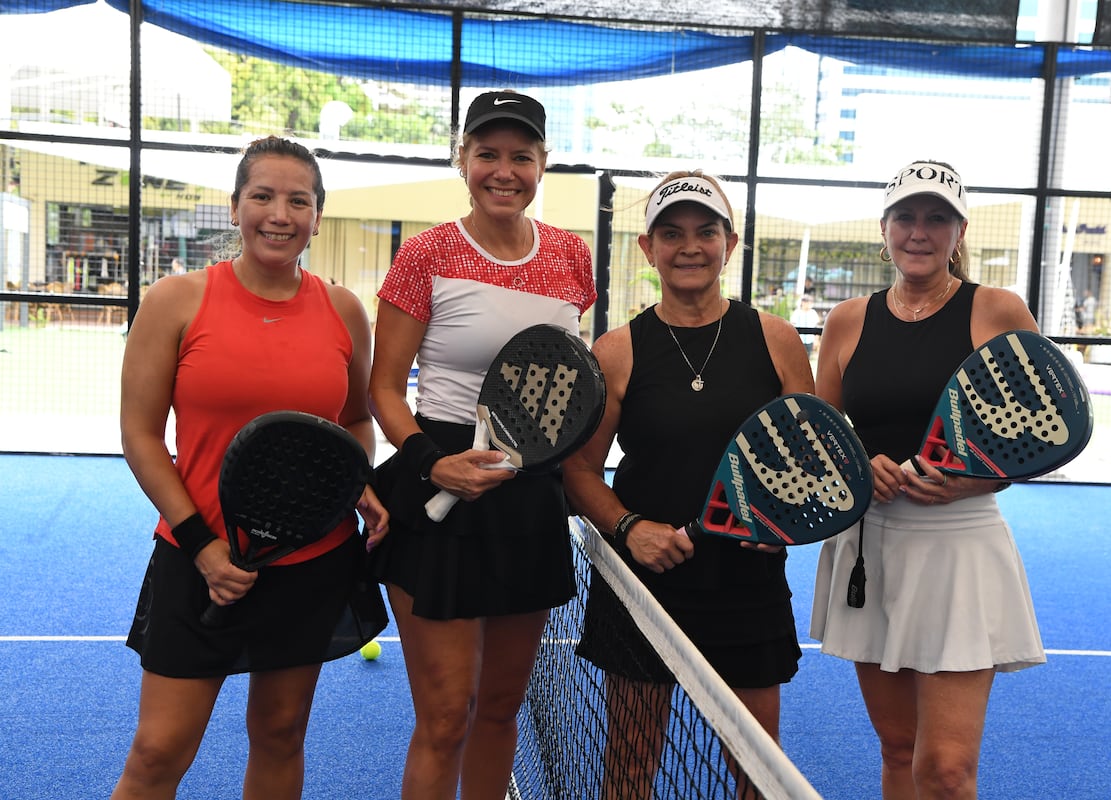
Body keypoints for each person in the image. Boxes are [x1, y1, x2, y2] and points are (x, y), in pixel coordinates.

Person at [112, 135, 390, 800]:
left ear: (317, 217)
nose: (280, 213)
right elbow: (140, 435)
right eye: (262, 196)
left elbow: (354, 420)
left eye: (299, 200)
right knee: (157, 751)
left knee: (280, 732)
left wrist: (358, 480)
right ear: (235, 207)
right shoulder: (175, 300)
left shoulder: (344, 309)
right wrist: (204, 548)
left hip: (311, 557)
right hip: (198, 557)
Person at [366, 90, 596, 800]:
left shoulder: (572, 257)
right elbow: (382, 389)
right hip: (438, 479)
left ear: (542, 164)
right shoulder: (425, 254)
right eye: (488, 154)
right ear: (463, 159)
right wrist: (435, 464)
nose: (504, 170)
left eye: (520, 156)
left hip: (528, 494)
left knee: (500, 710)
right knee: (444, 717)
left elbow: (569, 377)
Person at [562, 170, 815, 797]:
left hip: (746, 583)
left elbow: (807, 460)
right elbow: (579, 472)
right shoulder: (618, 351)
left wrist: (781, 518)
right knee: (630, 766)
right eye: (671, 233)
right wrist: (630, 529)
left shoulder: (776, 340)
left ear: (730, 244)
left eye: (707, 231)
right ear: (648, 249)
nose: (690, 246)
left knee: (756, 769)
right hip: (646, 585)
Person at [809, 160, 1045, 799]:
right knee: (898, 749)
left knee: (945, 769)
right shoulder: (847, 320)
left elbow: (1046, 430)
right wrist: (859, 465)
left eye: (936, 217)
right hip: (870, 545)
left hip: (959, 547)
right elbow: (820, 439)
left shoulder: (996, 309)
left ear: (959, 229)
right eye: (906, 217)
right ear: (883, 229)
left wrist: (980, 481)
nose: (920, 231)